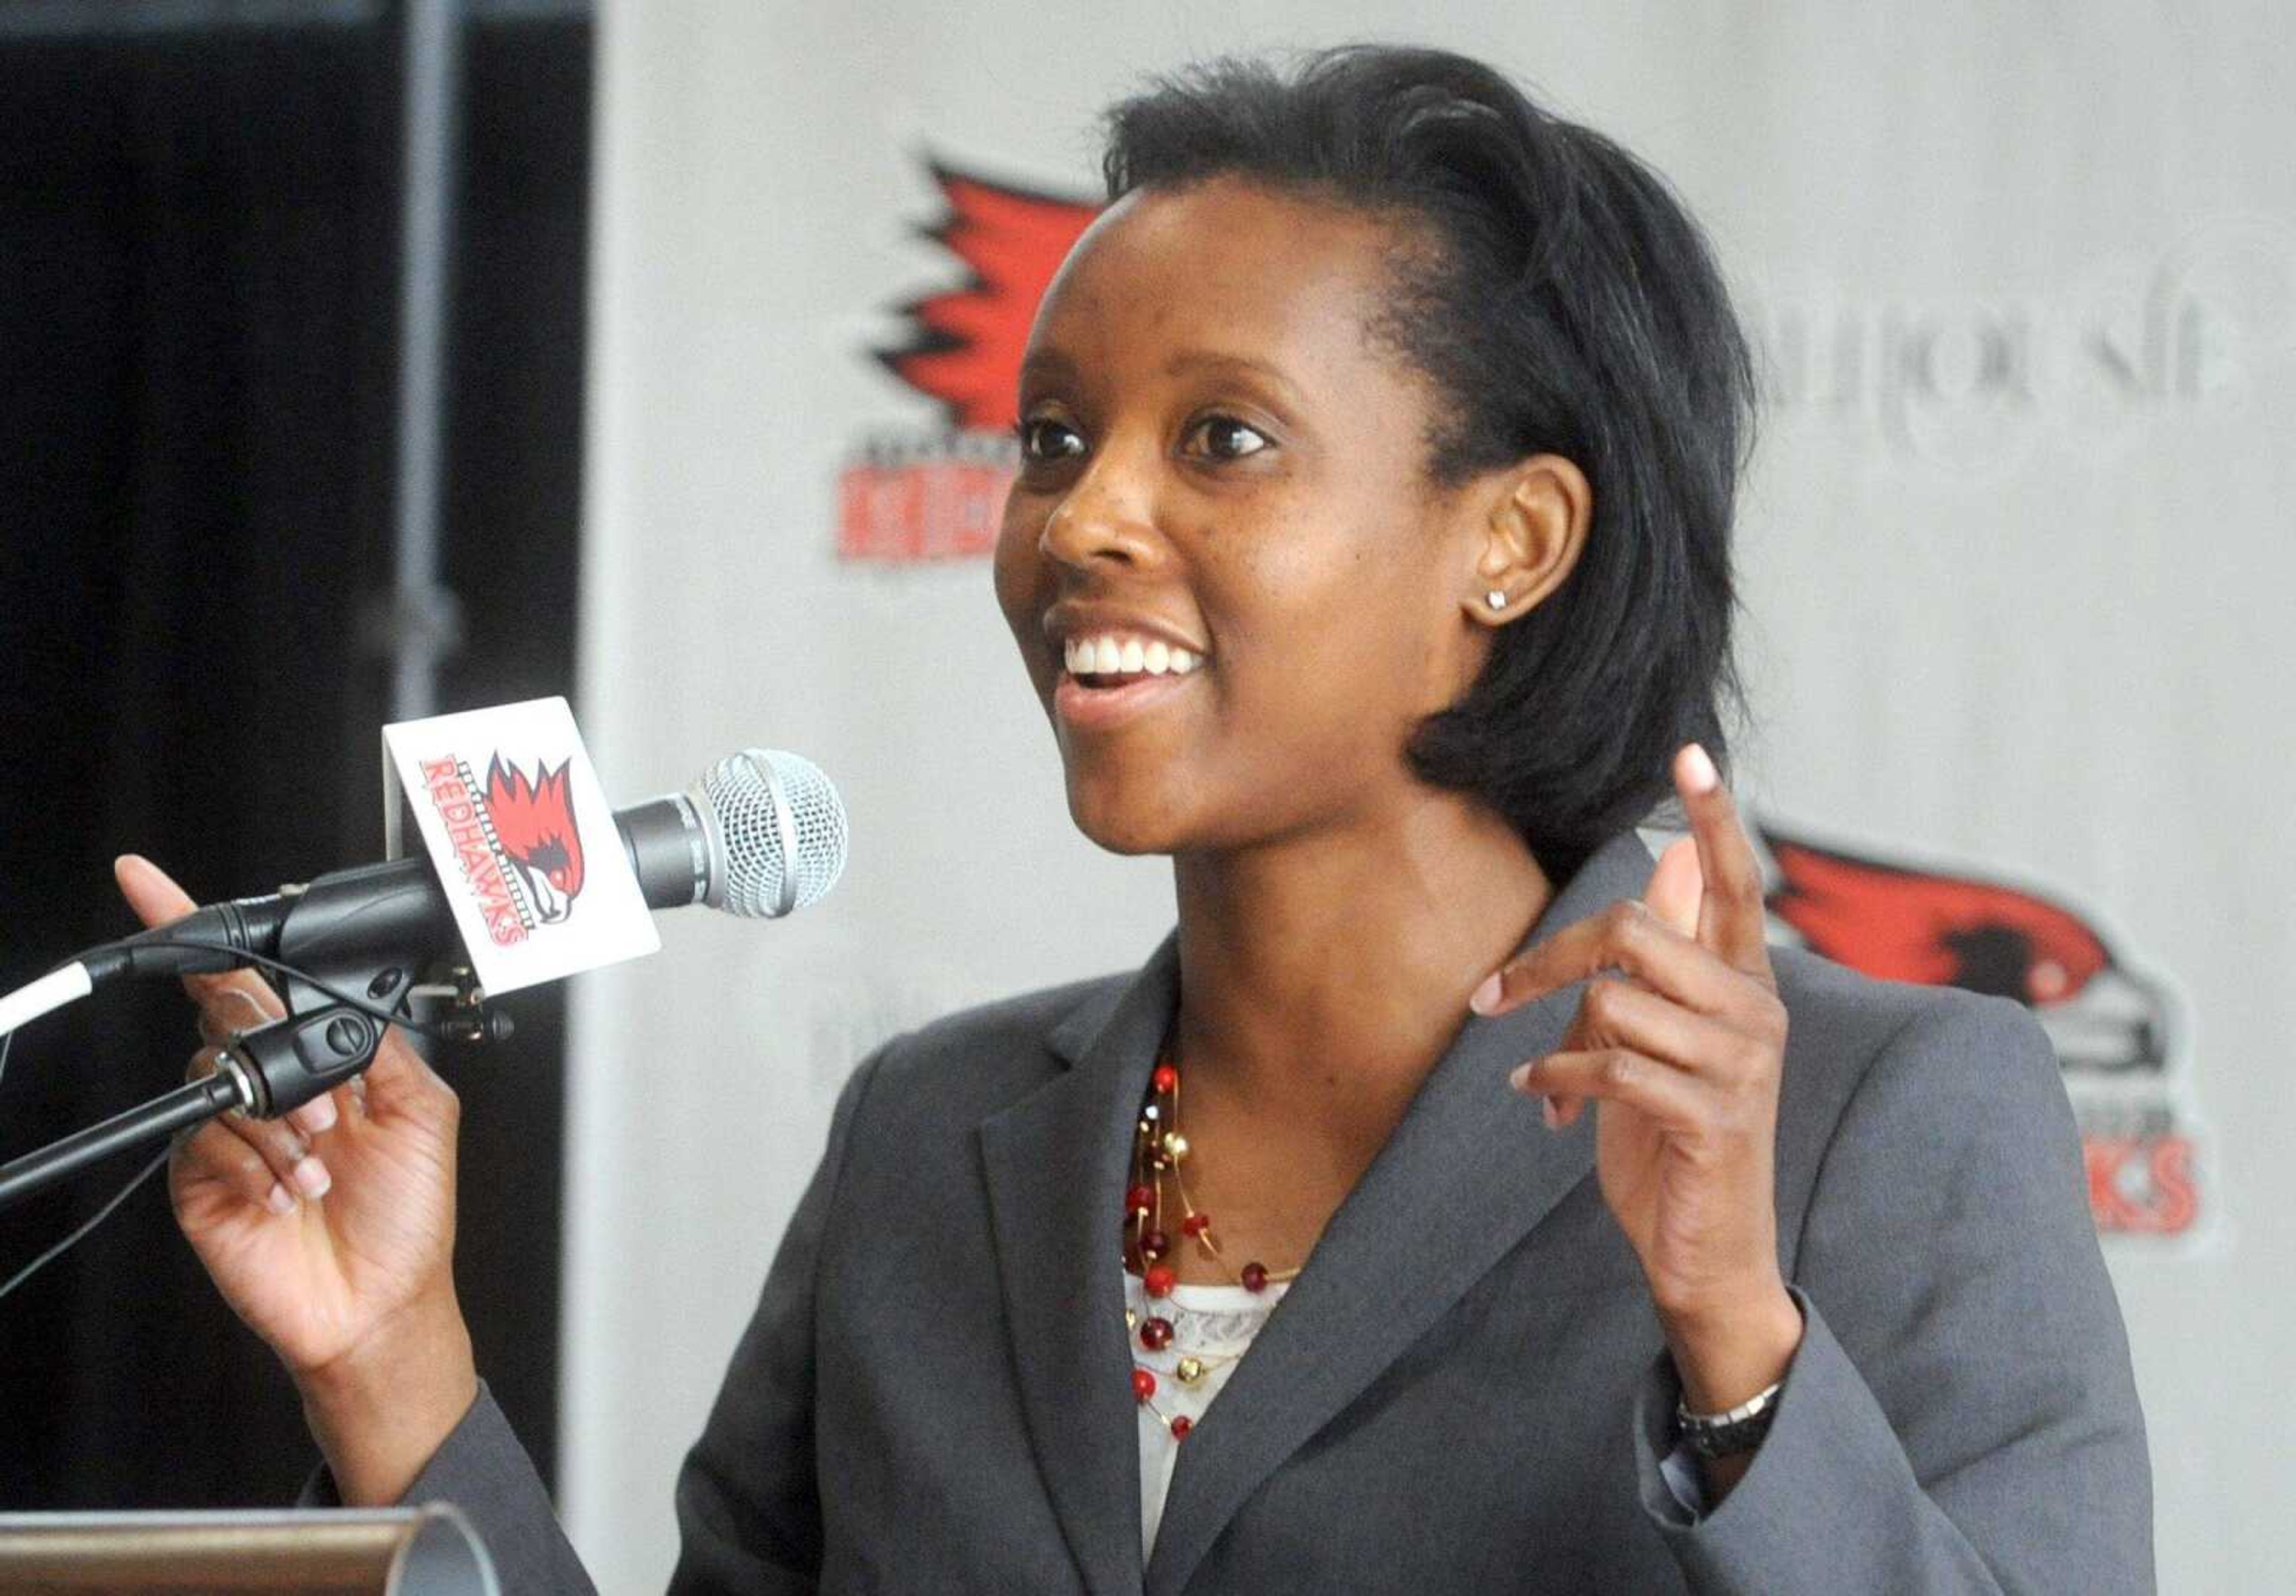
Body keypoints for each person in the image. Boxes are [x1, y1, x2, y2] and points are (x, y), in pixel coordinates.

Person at [115, 44, 2152, 1594]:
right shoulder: (930, 1133)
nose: (1081, 519)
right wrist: (395, 1370)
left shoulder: (1878, 1119)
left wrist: (1738, 1349)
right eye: (1057, 438)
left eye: (1225, 442)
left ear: (1512, 542)